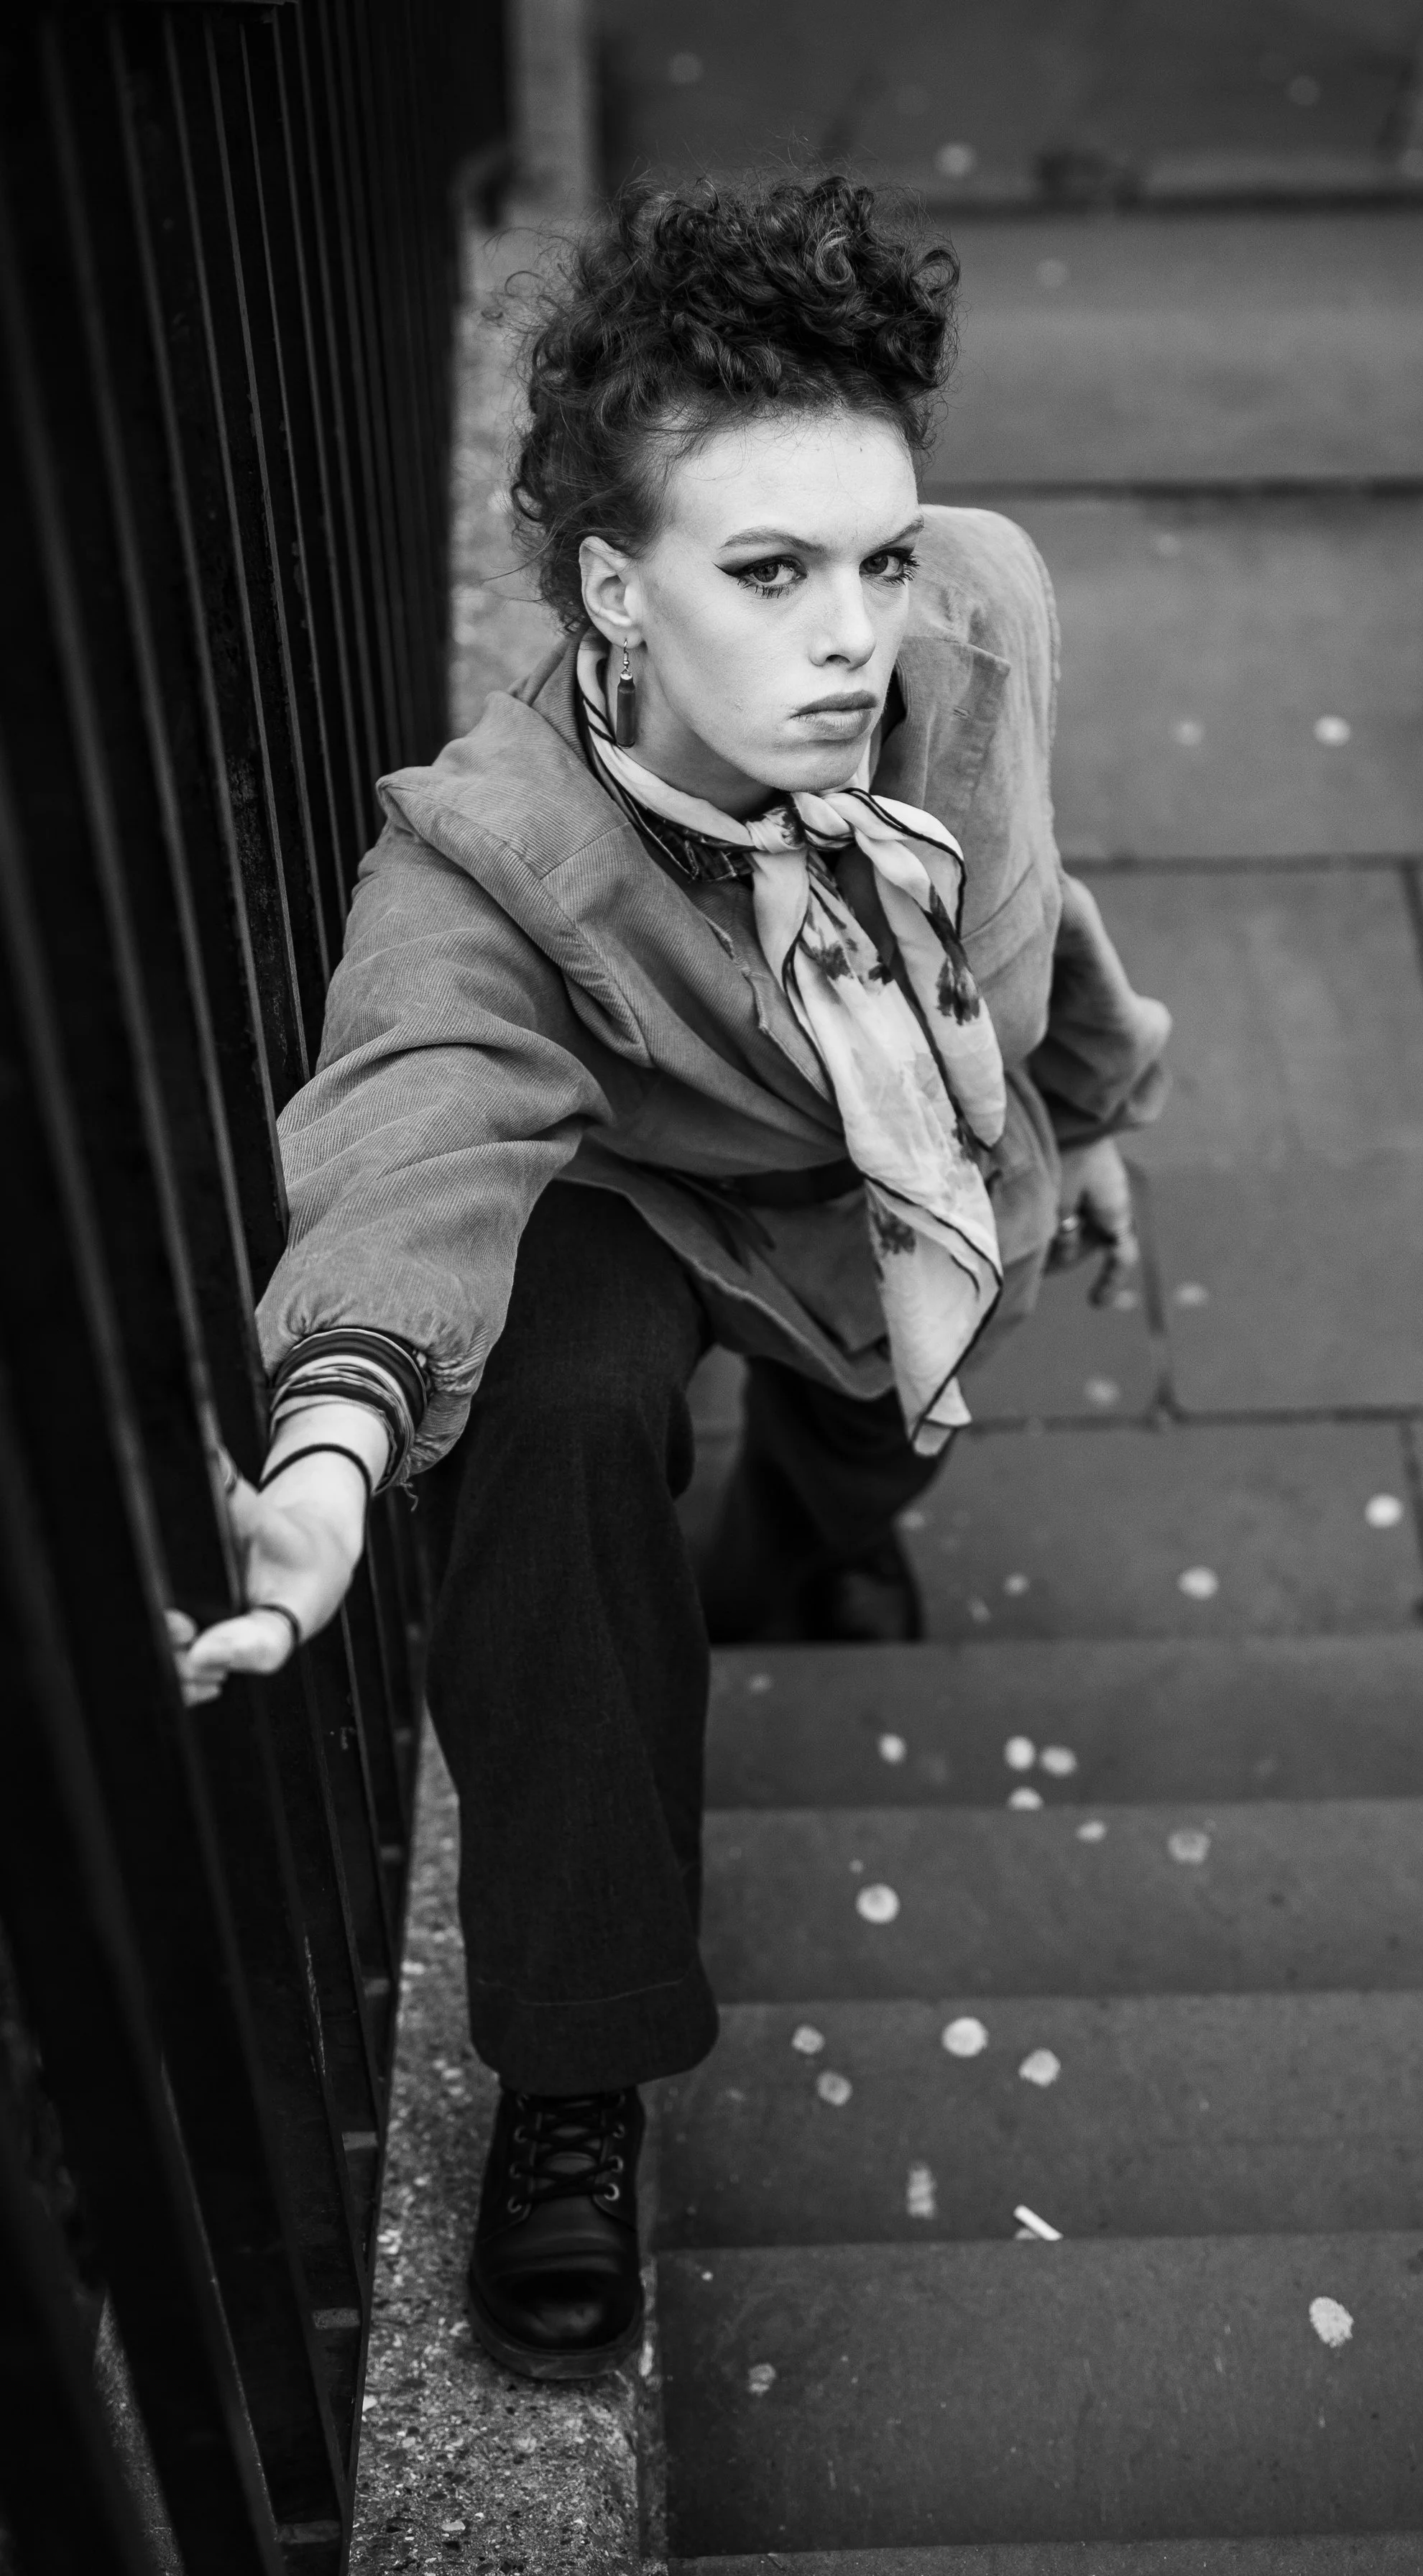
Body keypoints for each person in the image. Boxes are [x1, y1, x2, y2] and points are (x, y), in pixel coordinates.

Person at [170, 175, 1169, 2380]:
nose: (852, 633)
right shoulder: (489, 858)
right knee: (554, 1415)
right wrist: (329, 1448)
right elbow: (417, 1119)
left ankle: (806, 1550)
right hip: (632, 1179)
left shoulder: (974, 609)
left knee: (853, 1469)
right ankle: (576, 2064)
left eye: (875, 556)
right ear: (617, 590)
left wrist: (1086, 1108)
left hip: (899, 1200)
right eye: (771, 572)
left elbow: (1018, 878)